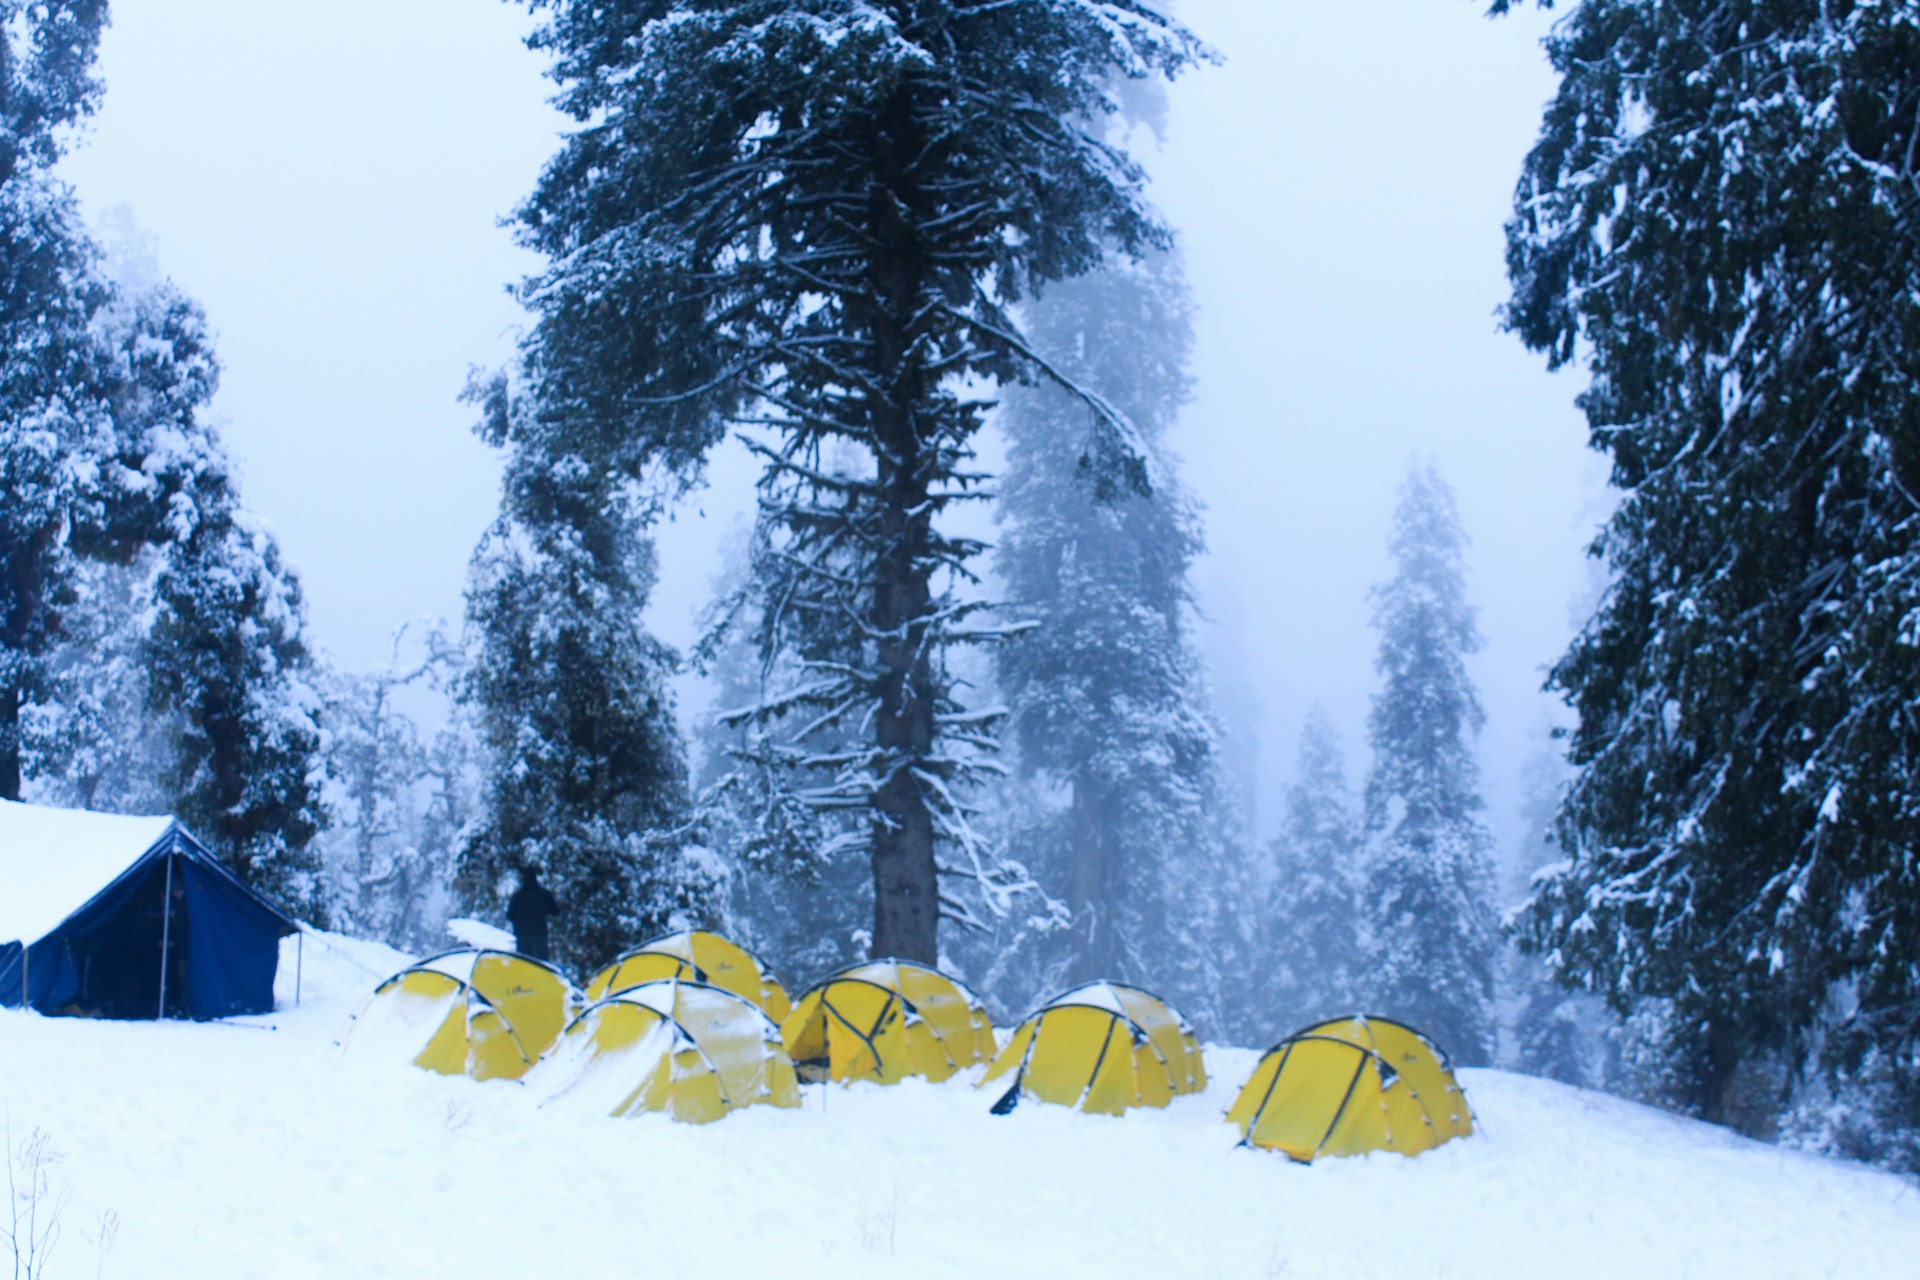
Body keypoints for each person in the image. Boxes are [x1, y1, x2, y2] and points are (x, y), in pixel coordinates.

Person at [506, 866, 559, 962]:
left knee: (524, 965)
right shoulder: (544, 894)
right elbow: (555, 911)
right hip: (539, 935)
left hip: (522, 936)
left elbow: (509, 916)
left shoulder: (518, 896)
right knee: (541, 965)